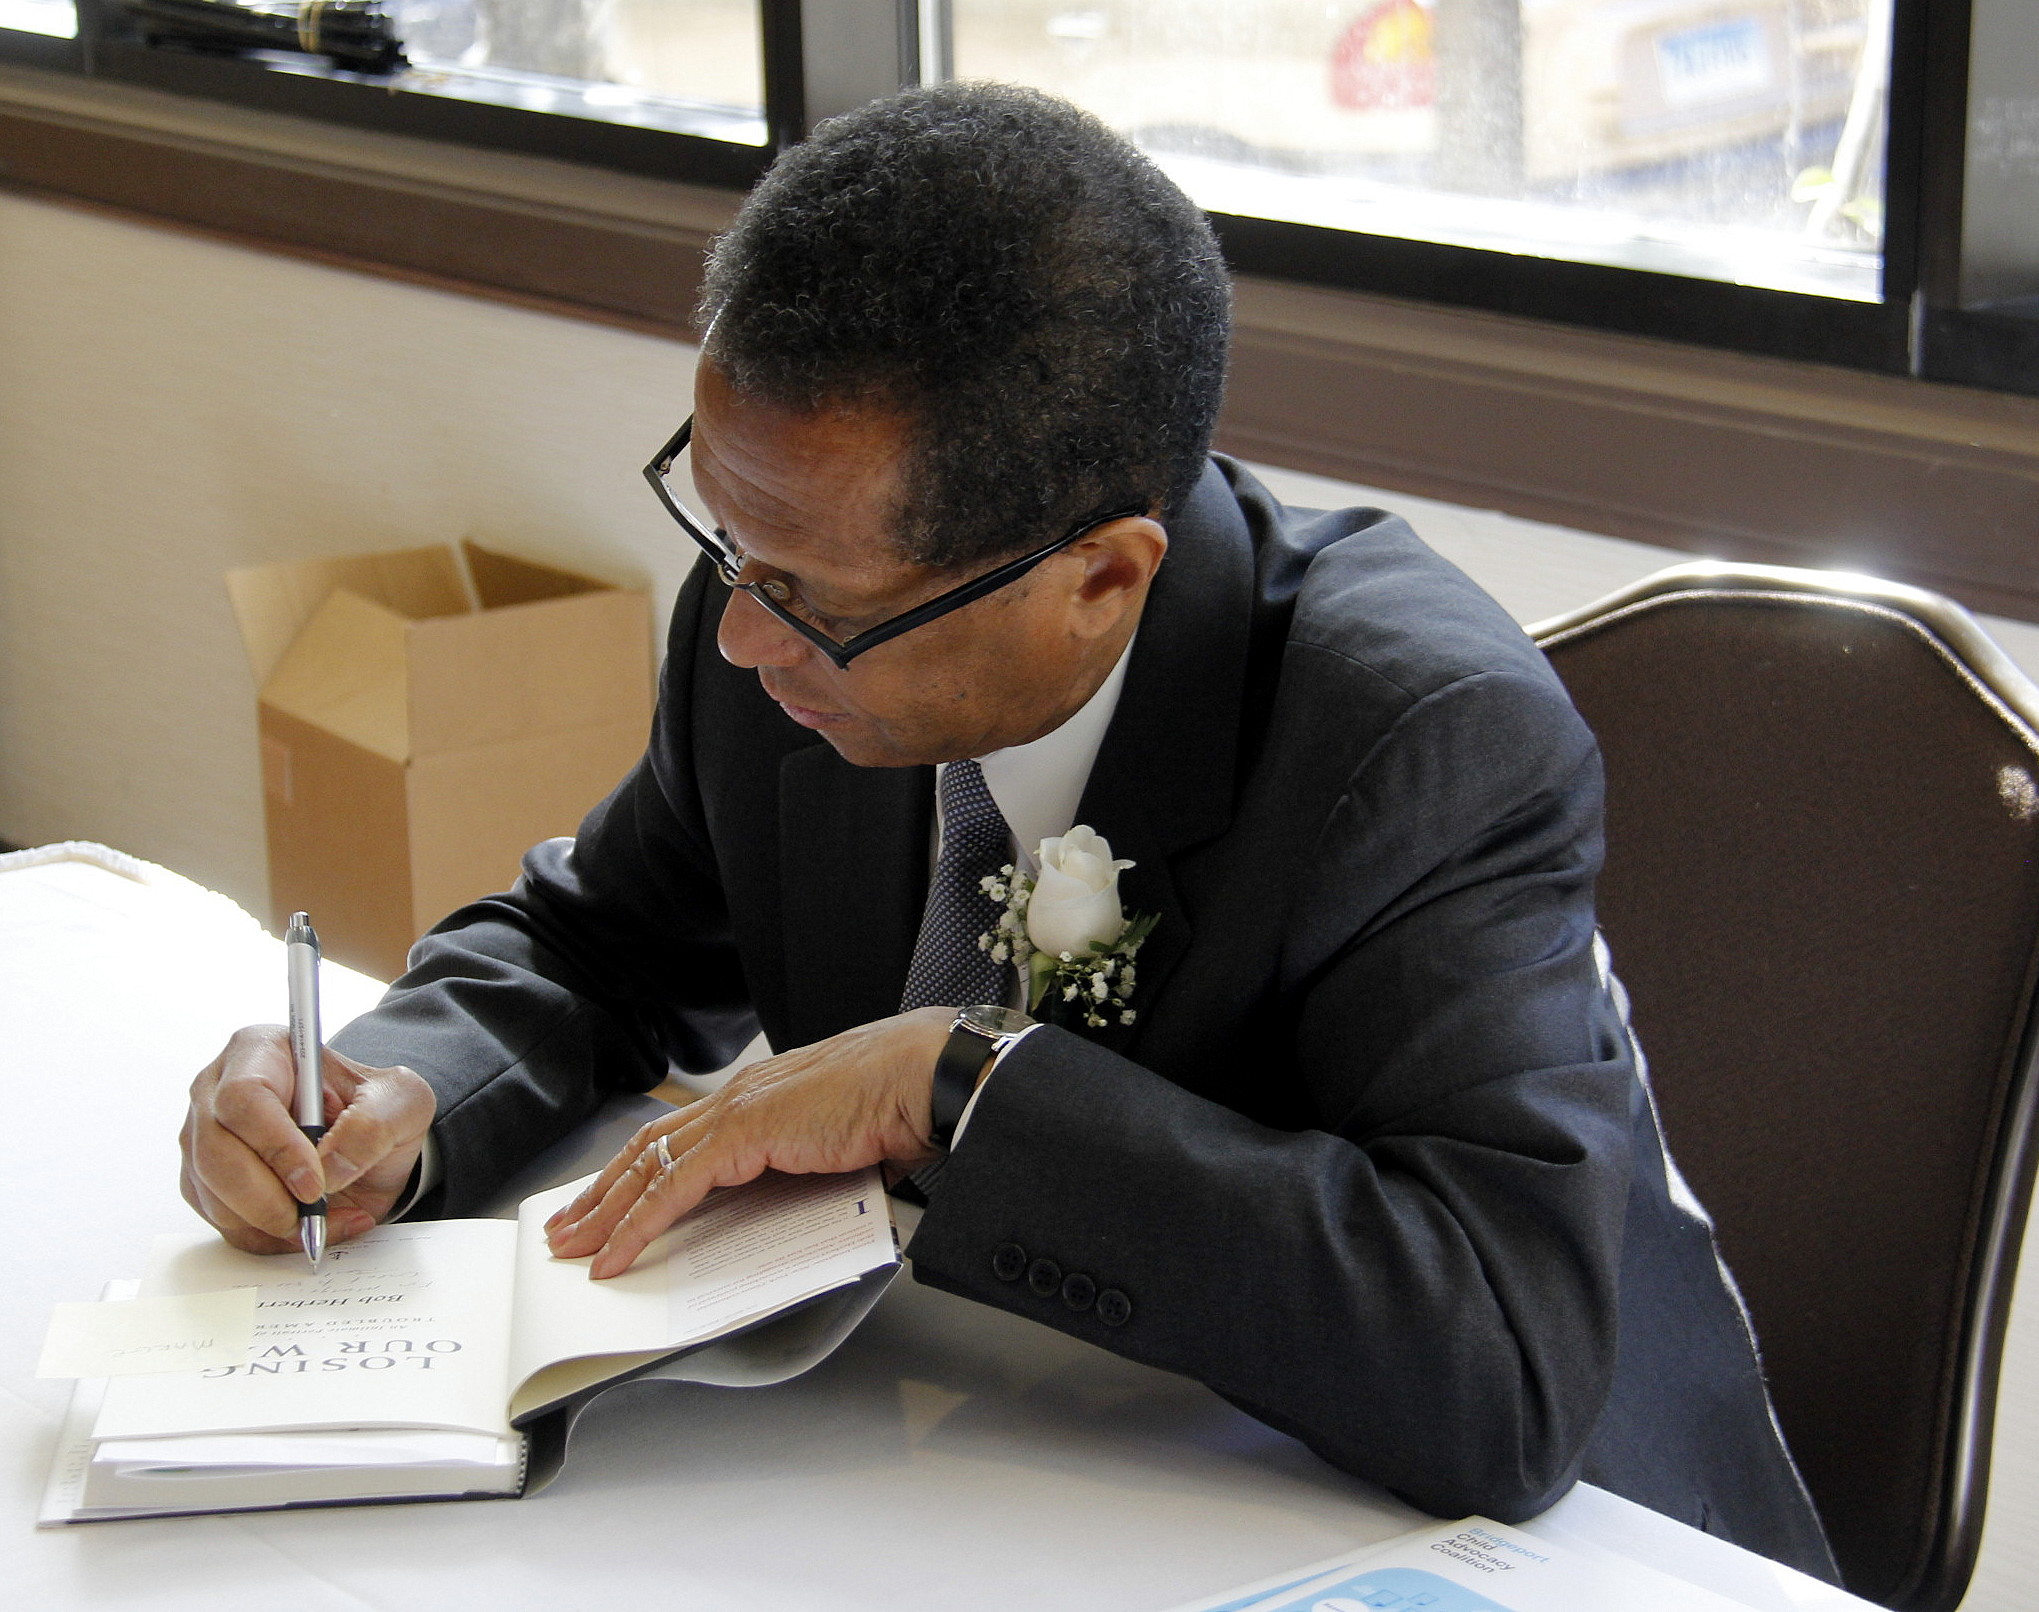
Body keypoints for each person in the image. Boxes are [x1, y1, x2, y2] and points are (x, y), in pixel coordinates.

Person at [177, 82, 1834, 1578]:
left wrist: (952, 1083)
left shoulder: (1413, 742)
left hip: (1513, 1538)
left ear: (1102, 576)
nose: (745, 638)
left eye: (811, 598)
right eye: (722, 535)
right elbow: (601, 941)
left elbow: (1500, 1360)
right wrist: (395, 1093)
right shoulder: (772, 616)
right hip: (1000, 1465)